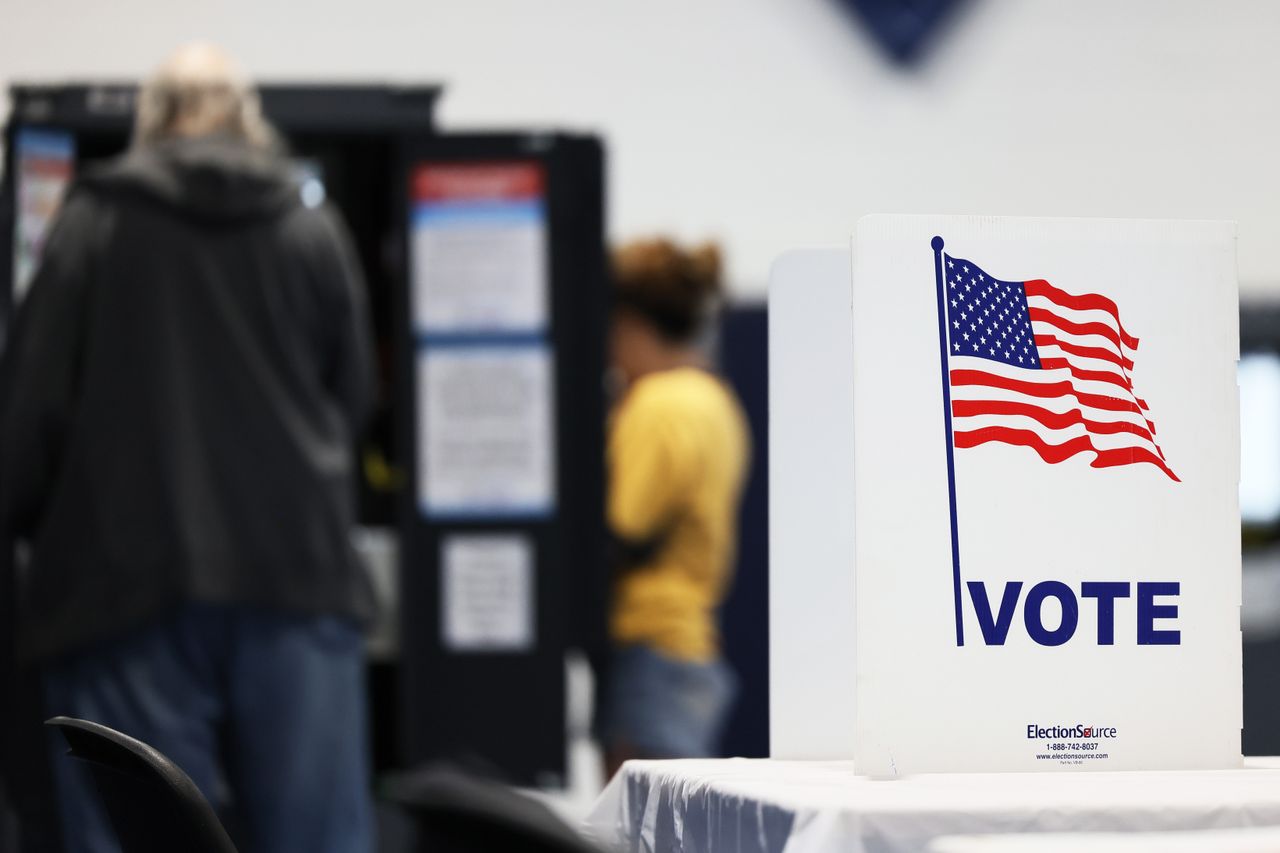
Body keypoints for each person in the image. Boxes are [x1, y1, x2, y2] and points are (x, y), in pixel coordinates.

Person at [0, 44, 376, 853]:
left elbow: (26, 419)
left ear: (151, 124)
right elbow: (353, 400)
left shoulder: (90, 223)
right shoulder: (313, 226)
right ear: (249, 122)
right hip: (296, 581)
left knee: (142, 840)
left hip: (121, 587)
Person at [599, 238, 751, 777]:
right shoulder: (714, 400)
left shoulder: (659, 404)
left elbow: (622, 532)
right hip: (688, 645)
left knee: (639, 825)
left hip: (650, 649)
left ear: (631, 324)